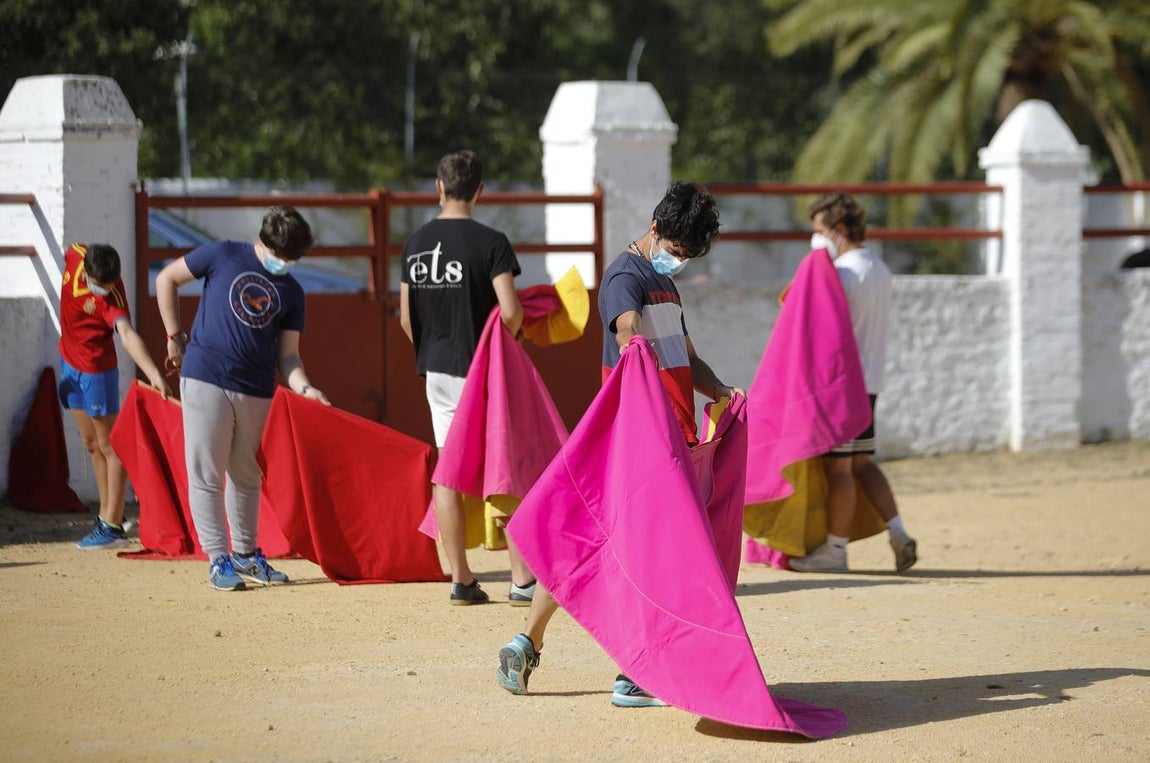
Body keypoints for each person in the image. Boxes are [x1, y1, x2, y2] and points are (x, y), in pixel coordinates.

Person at [497, 181, 741, 706]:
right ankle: (632, 676)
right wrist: (634, 345)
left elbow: (687, 359)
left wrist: (718, 388)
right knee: (655, 553)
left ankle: (527, 639)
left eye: (688, 256)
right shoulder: (624, 277)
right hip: (644, 440)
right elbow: (626, 325)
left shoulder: (665, 286)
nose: (681, 262)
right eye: (677, 252)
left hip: (665, 435)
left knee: (589, 540)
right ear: (656, 229)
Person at [156, 206, 329, 591]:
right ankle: (218, 558)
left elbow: (289, 356)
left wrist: (304, 387)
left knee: (247, 473)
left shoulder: (293, 292)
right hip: (206, 375)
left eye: (291, 259)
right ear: (265, 242)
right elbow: (167, 278)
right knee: (206, 471)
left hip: (256, 387)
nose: (283, 264)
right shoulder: (223, 253)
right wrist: (174, 335)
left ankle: (246, 555)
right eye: (280, 255)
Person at [399, 150, 531, 606]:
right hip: (483, 371)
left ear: (438, 186)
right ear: (479, 191)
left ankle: (461, 578)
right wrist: (499, 345)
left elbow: (404, 319)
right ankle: (520, 579)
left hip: (436, 369)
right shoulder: (491, 242)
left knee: (447, 474)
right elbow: (511, 312)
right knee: (505, 467)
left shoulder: (415, 243)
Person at [789, 192, 917, 573]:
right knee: (862, 464)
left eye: (820, 231)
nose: (817, 239)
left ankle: (835, 551)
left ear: (840, 230)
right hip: (871, 383)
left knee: (839, 471)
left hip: (842, 387)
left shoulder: (841, 275)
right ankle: (898, 531)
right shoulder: (880, 269)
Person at [59, 243, 172, 549]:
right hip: (69, 361)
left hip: (97, 369)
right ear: (88, 273)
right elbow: (66, 252)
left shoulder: (114, 298)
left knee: (111, 444)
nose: (107, 290)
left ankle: (112, 522)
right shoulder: (75, 254)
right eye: (102, 285)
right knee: (92, 443)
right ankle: (105, 517)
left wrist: (153, 374)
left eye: (111, 285)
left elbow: (127, 335)